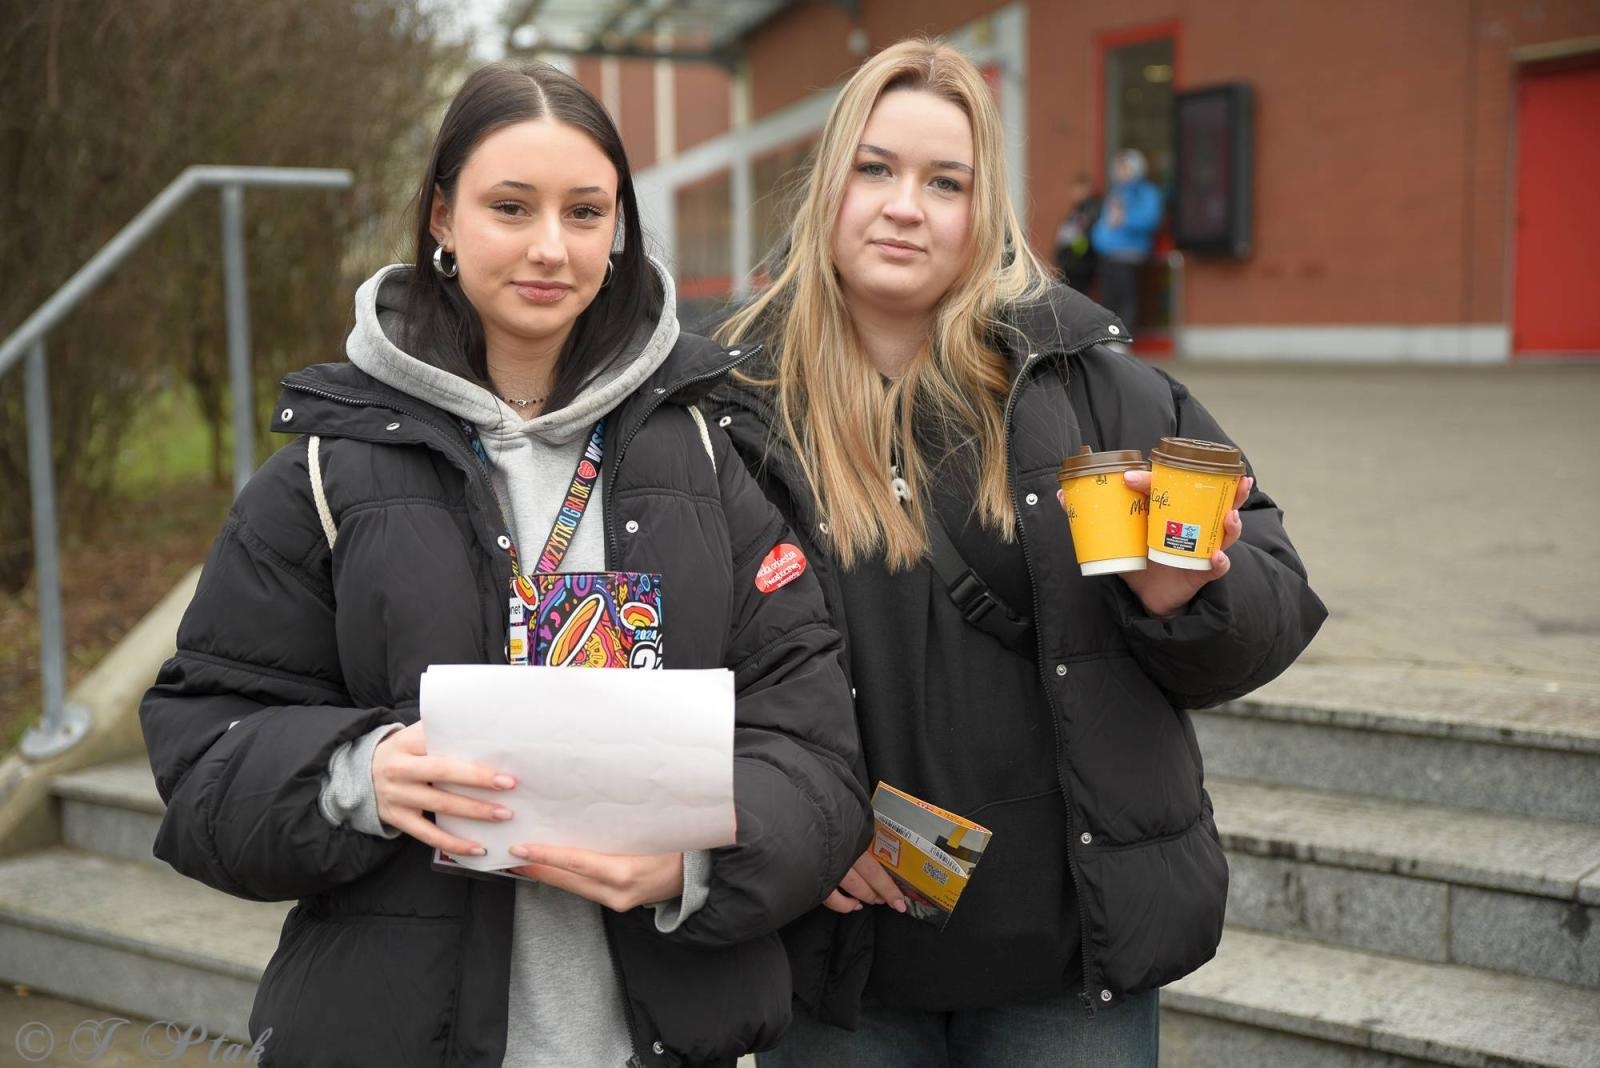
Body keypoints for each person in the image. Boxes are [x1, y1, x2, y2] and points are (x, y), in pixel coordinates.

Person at [140, 61, 870, 1068]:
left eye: (585, 212)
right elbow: (203, 753)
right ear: (443, 217)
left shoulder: (706, 456)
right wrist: (357, 774)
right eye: (511, 207)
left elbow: (816, 751)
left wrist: (702, 859)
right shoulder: (328, 467)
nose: (550, 247)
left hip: (662, 1038)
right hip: (404, 1038)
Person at [708, 39, 1326, 1067]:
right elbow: (677, 652)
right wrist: (780, 817)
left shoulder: (1092, 386)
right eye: (875, 168)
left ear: (983, 206)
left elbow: (1272, 603)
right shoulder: (728, 410)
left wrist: (1187, 599)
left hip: (1067, 955)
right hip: (840, 961)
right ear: (827, 187)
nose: (904, 207)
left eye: (943, 182)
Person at [1090, 148, 1164, 334]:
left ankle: (1124, 337)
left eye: (1125, 168)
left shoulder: (1146, 192)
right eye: (1118, 168)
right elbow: (1106, 223)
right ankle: (1110, 336)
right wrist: (1098, 240)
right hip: (1108, 255)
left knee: (1127, 299)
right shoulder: (1116, 192)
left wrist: (1126, 219)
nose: (1121, 172)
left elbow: (1151, 219)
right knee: (1109, 299)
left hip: (1130, 255)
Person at [1053, 172, 1102, 293]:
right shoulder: (1075, 210)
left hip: (1080, 266)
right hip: (1068, 265)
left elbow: (1084, 239)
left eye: (1079, 189)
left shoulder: (1092, 209)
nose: (1075, 193)